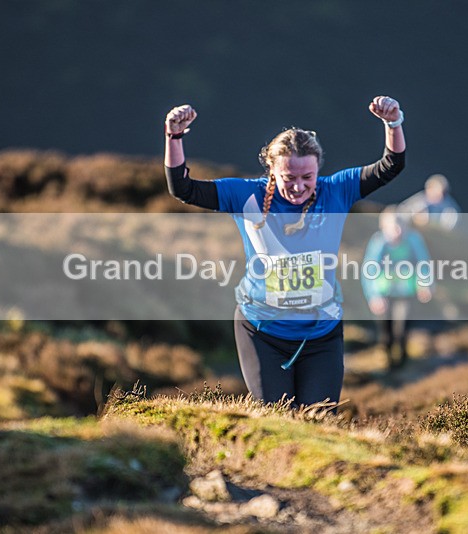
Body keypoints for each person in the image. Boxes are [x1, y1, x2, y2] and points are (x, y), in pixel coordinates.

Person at [164, 96, 406, 406]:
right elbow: (183, 189)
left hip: (321, 335)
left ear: (318, 170)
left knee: (318, 422)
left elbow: (391, 165)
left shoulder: (337, 190)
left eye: (308, 177)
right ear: (272, 172)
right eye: (288, 178)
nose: (298, 187)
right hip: (262, 332)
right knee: (279, 417)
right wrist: (174, 136)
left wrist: (393, 123)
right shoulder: (245, 195)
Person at [362, 206, 432, 370]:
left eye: (401, 226)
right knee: (386, 331)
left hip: (405, 292)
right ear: (383, 227)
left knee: (402, 327)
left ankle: (402, 361)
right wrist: (373, 296)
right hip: (383, 292)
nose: (397, 231)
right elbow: (369, 269)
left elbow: (423, 263)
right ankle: (385, 357)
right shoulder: (378, 242)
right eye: (393, 227)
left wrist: (424, 284)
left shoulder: (413, 239)